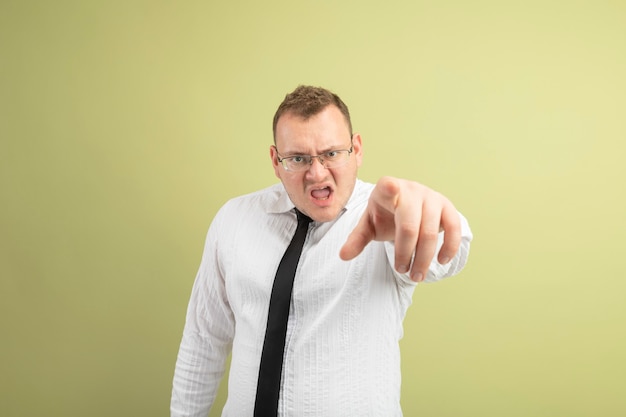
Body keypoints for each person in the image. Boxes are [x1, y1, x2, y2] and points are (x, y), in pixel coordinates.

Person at [171, 85, 473, 416]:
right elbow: (203, 341)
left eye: (331, 153)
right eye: (298, 158)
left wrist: (430, 218)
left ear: (356, 150)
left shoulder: (383, 217)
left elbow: (449, 255)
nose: (316, 173)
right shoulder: (234, 220)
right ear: (276, 160)